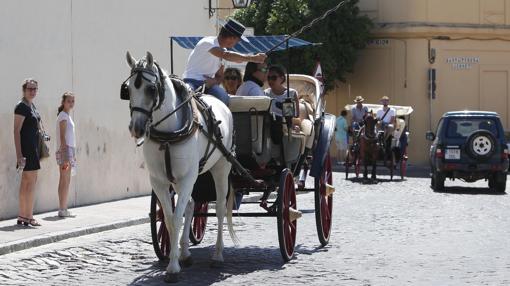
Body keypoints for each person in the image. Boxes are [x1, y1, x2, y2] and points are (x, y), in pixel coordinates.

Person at [182, 19, 267, 105]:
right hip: (191, 81)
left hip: (209, 85)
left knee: (224, 98)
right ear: (232, 38)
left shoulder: (223, 51)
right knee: (186, 99)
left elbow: (219, 77)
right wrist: (253, 58)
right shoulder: (208, 42)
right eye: (238, 40)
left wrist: (214, 82)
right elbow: (226, 55)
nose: (237, 43)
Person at [13, 79, 42, 226]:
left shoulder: (31, 106)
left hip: (33, 148)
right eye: (30, 89)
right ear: (24, 90)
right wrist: (19, 155)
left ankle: (23, 216)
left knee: (27, 182)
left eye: (35, 89)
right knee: (29, 183)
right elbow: (16, 131)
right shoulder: (21, 107)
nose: (32, 91)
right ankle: (29, 216)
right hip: (27, 149)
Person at [56, 92, 76, 218]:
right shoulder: (63, 116)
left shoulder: (67, 116)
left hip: (69, 150)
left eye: (73, 101)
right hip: (65, 150)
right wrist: (65, 155)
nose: (71, 103)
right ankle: (63, 209)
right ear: (63, 102)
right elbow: (62, 136)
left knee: (65, 179)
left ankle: (63, 208)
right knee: (65, 179)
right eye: (69, 101)